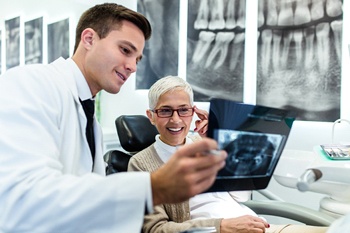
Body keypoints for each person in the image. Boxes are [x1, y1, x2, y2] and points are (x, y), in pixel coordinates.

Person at [0, 4, 227, 232]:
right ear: (89, 39)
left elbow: (91, 212)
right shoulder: (29, 84)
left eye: (137, 59)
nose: (132, 67)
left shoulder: (90, 122)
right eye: (125, 50)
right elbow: (22, 201)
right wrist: (154, 188)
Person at [128, 75, 329, 233]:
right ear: (151, 116)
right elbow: (156, 229)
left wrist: (221, 141)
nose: (176, 120)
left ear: (193, 111)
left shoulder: (203, 144)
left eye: (183, 110)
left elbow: (240, 196)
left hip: (257, 227)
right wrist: (221, 227)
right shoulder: (140, 164)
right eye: (165, 111)